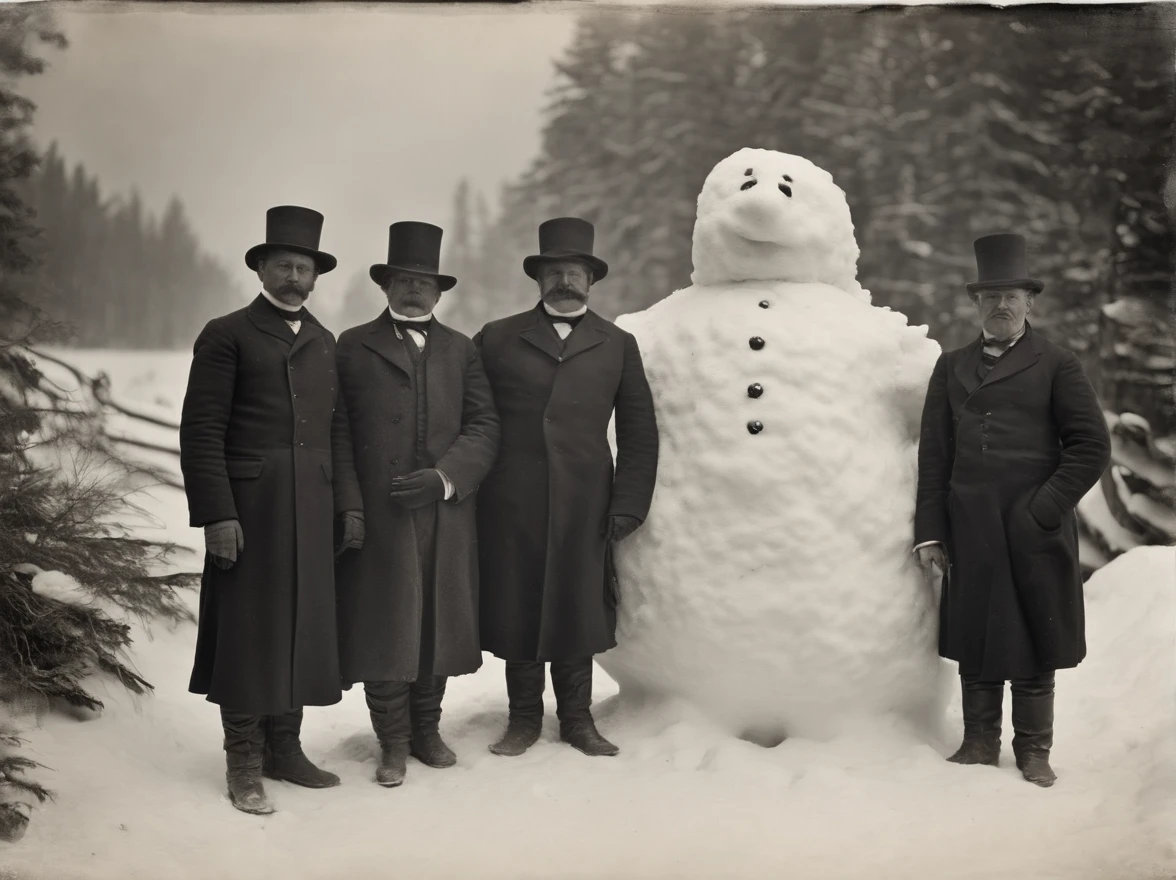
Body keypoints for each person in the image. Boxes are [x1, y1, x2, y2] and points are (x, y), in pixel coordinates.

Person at [180, 205, 359, 815]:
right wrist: (216, 515)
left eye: (302, 266)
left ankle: (286, 748)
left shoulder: (323, 340)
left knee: (303, 625)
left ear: (315, 276)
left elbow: (336, 432)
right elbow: (201, 430)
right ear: (261, 269)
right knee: (250, 633)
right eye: (281, 263)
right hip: (250, 509)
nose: (292, 275)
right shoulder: (226, 333)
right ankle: (244, 762)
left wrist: (348, 507)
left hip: (312, 507)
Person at [914, 232, 1111, 787]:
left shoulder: (1057, 363)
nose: (1002, 305)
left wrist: (1043, 509)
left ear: (1030, 303)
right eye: (991, 296)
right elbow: (935, 457)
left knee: (1033, 633)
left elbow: (1092, 446)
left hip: (1034, 526)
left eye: (1013, 296)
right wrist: (931, 530)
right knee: (976, 632)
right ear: (975, 303)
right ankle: (978, 742)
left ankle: (1033, 750)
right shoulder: (950, 368)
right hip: (970, 524)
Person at [475, 217, 659, 758]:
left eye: (574, 272)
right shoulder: (498, 338)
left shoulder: (617, 343)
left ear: (590, 279)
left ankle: (577, 720)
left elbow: (640, 431)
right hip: (512, 500)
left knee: (578, 609)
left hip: (587, 502)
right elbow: (475, 417)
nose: (564, 282)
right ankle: (523, 720)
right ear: (538, 278)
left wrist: (628, 504)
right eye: (554, 272)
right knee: (519, 605)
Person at [332, 222, 499, 787]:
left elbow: (484, 424)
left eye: (424, 282)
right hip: (381, 517)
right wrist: (351, 507)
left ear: (439, 291)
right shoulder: (352, 345)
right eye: (403, 280)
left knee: (438, 624)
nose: (414, 290)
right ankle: (394, 743)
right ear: (385, 286)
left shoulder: (462, 349)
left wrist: (447, 478)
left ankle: (427, 729)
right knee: (386, 627)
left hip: (446, 514)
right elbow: (337, 432)